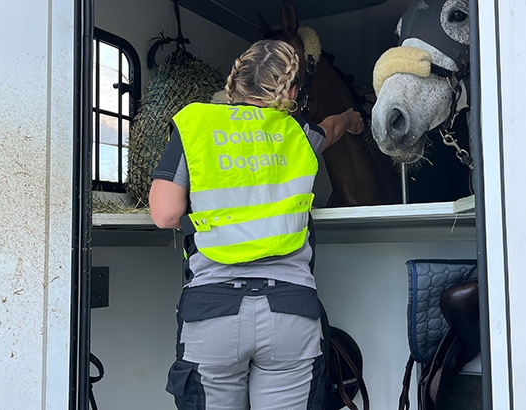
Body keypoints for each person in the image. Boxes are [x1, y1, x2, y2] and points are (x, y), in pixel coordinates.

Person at [148, 39, 364, 410]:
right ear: (292, 90)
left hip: (212, 311)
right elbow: (331, 128)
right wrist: (350, 117)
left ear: (235, 82)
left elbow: (164, 214)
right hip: (291, 311)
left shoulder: (196, 124)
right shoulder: (297, 133)